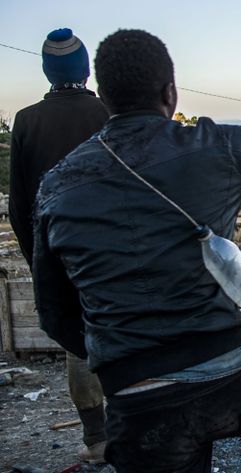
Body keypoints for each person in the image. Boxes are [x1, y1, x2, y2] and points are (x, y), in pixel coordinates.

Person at [32, 19, 241, 472]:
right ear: (170, 94)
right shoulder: (215, 147)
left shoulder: (57, 186)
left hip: (138, 401)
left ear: (105, 97)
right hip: (233, 372)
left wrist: (124, 356)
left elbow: (54, 314)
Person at [9, 28, 109, 464]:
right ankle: (133, 422)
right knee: (123, 332)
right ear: (85, 69)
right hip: (113, 248)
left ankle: (97, 439)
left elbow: (18, 203)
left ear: (48, 71)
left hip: (57, 251)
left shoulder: (27, 120)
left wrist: (39, 261)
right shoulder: (108, 112)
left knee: (78, 343)